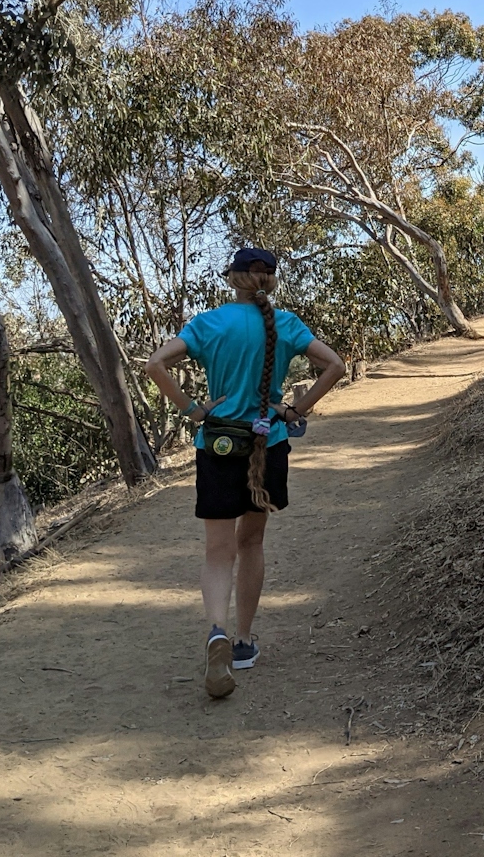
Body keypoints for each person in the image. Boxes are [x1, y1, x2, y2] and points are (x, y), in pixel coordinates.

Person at [144, 248, 346, 698]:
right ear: (270, 281)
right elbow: (335, 366)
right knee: (251, 542)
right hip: (267, 443)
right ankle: (243, 643)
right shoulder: (287, 324)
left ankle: (215, 630)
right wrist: (294, 409)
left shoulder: (208, 324)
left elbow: (155, 365)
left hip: (216, 445)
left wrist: (194, 410)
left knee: (218, 551)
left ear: (232, 279)